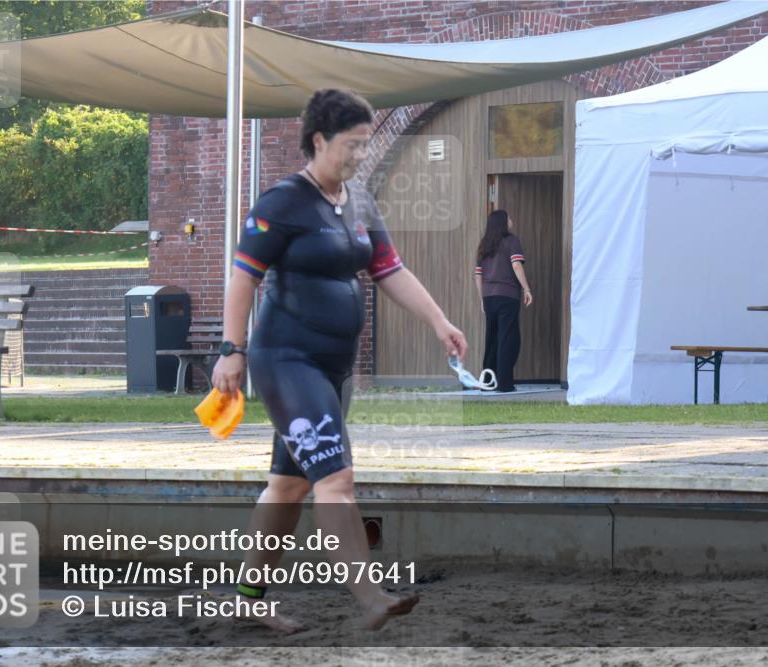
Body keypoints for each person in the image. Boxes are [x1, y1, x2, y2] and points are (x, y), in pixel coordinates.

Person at [210, 89, 468, 632]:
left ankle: (246, 597)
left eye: (366, 144)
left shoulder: (360, 203)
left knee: (289, 485)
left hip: (333, 368)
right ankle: (371, 596)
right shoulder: (282, 203)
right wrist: (231, 352)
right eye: (351, 144)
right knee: (337, 478)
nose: (360, 155)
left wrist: (439, 321)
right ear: (319, 140)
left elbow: (389, 270)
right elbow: (243, 279)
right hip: (286, 360)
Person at [474, 209, 533, 393]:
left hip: (489, 297)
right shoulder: (511, 241)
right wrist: (526, 288)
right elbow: (516, 265)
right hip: (507, 296)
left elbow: (478, 275)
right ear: (503, 222)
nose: (511, 220)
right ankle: (505, 383)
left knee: (492, 339)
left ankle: (488, 383)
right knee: (508, 339)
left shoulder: (484, 245)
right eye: (509, 217)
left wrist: (482, 299)